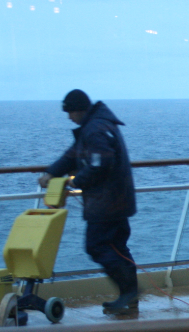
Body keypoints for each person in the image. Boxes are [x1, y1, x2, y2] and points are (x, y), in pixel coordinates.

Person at [39, 89, 139, 314]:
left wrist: (74, 182)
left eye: (70, 112)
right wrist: (51, 172)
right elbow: (72, 155)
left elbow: (99, 164)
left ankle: (129, 291)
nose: (69, 117)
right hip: (118, 199)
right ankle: (129, 298)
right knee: (118, 247)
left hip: (107, 203)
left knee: (96, 246)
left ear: (80, 110)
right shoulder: (96, 125)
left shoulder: (94, 130)